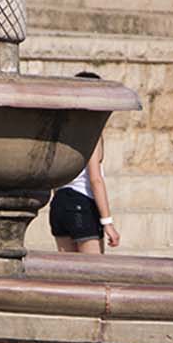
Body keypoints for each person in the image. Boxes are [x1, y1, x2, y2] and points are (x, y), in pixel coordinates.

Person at [50, 72, 121, 254]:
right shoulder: (90, 132)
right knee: (92, 273)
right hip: (82, 203)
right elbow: (95, 179)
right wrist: (108, 223)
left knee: (66, 274)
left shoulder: (60, 129)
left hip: (59, 203)